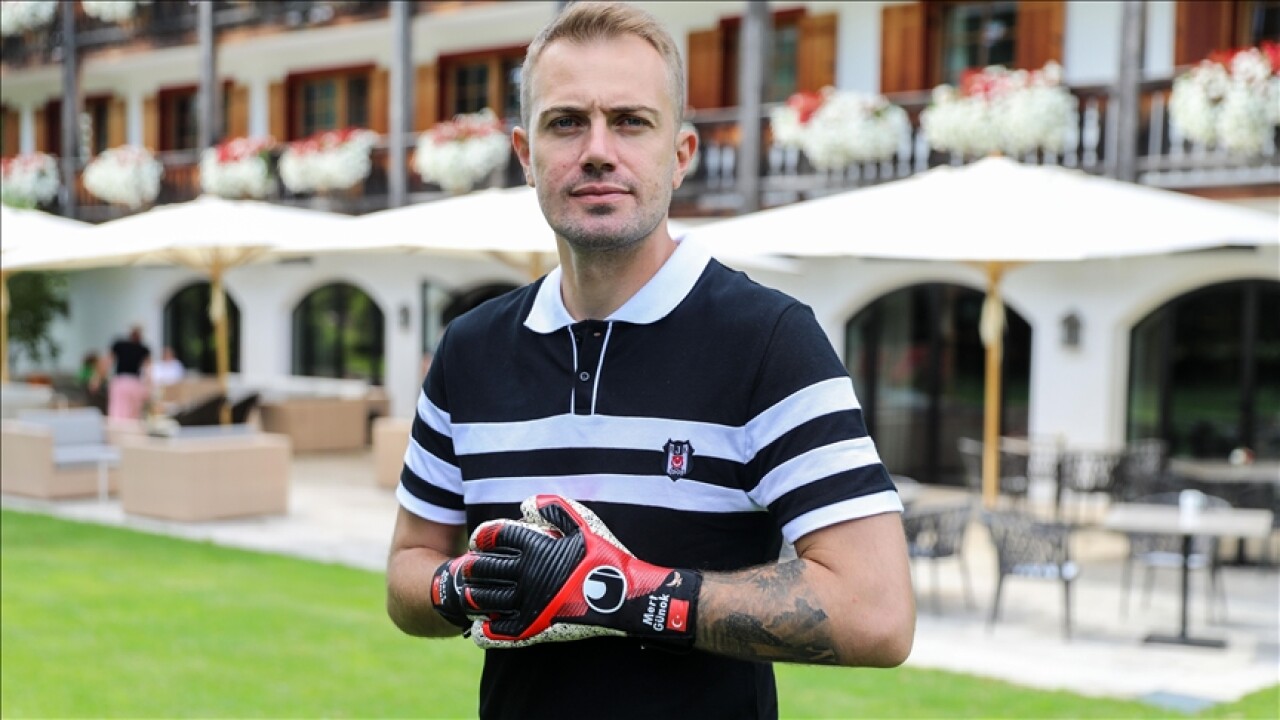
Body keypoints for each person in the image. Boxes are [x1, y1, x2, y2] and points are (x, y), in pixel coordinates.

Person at [385, 4, 915, 719]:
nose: (598, 150)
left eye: (631, 121)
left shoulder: (769, 340)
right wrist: (462, 585)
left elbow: (877, 612)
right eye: (566, 122)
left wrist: (624, 593)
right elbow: (406, 571)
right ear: (525, 154)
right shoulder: (470, 348)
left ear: (681, 154)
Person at [107, 325, 151, 420]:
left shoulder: (121, 345)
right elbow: (148, 370)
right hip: (131, 382)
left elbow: (108, 361)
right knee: (132, 413)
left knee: (119, 411)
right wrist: (148, 386)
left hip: (124, 381)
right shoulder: (142, 349)